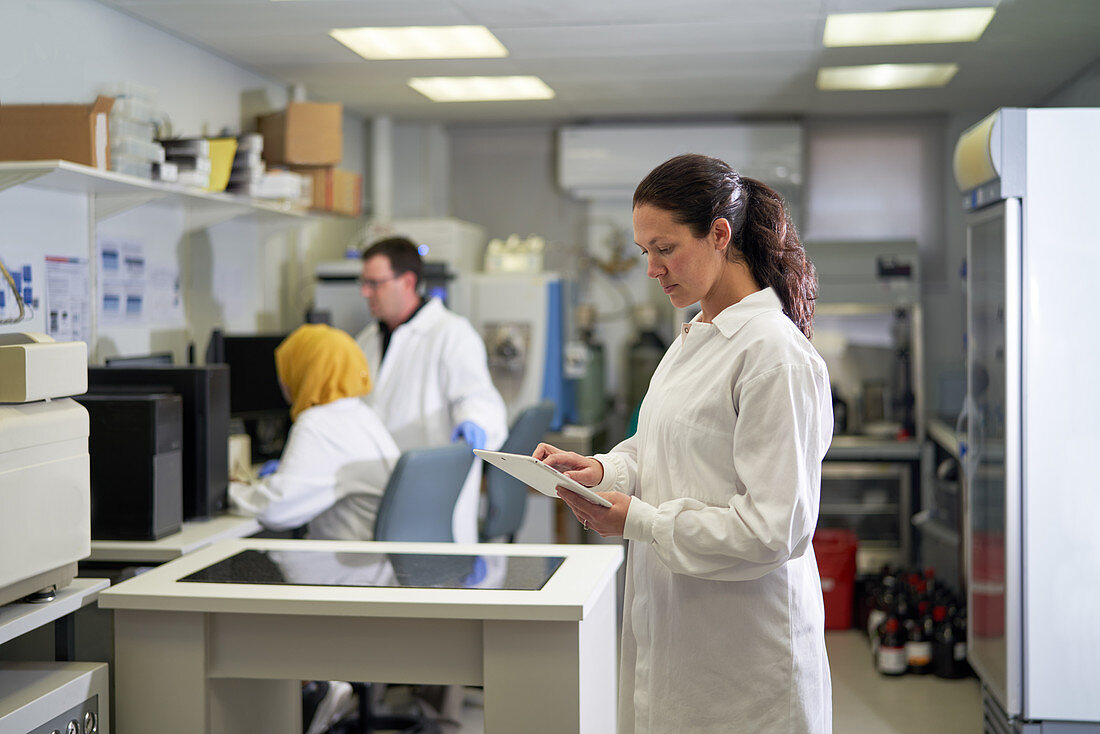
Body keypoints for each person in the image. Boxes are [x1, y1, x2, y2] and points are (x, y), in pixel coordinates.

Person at [537, 154, 833, 733]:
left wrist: (639, 521)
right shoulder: (693, 339)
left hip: (746, 664)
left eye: (664, 248)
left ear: (719, 235)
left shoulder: (774, 357)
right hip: (676, 639)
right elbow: (659, 449)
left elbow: (774, 530)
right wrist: (603, 472)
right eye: (645, 251)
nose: (651, 268)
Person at [355, 236, 507, 544]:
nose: (365, 292)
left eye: (375, 283)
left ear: (408, 281)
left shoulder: (452, 334)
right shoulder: (366, 340)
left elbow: (478, 400)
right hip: (375, 494)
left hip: (433, 494)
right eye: (364, 283)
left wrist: (474, 423)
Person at [229, 323, 400, 541]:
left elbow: (276, 509)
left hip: (345, 565)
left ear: (305, 370)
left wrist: (227, 492)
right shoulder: (360, 413)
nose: (282, 381)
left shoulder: (319, 422)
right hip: (371, 562)